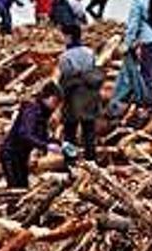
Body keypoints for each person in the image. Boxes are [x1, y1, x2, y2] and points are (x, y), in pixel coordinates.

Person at [0, 82, 73, 189]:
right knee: (15, 187)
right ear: (46, 98)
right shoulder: (32, 110)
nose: (55, 106)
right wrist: (46, 146)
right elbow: (25, 134)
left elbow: (41, 137)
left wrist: (60, 144)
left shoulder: (43, 113)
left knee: (23, 186)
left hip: (22, 155)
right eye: (54, 102)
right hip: (11, 154)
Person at [59, 24, 100, 168]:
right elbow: (94, 69)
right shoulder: (90, 52)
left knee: (69, 132)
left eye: (64, 35)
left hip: (73, 96)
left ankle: (70, 162)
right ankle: (91, 160)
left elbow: (65, 76)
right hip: (90, 95)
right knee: (89, 130)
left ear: (69, 37)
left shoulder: (65, 56)